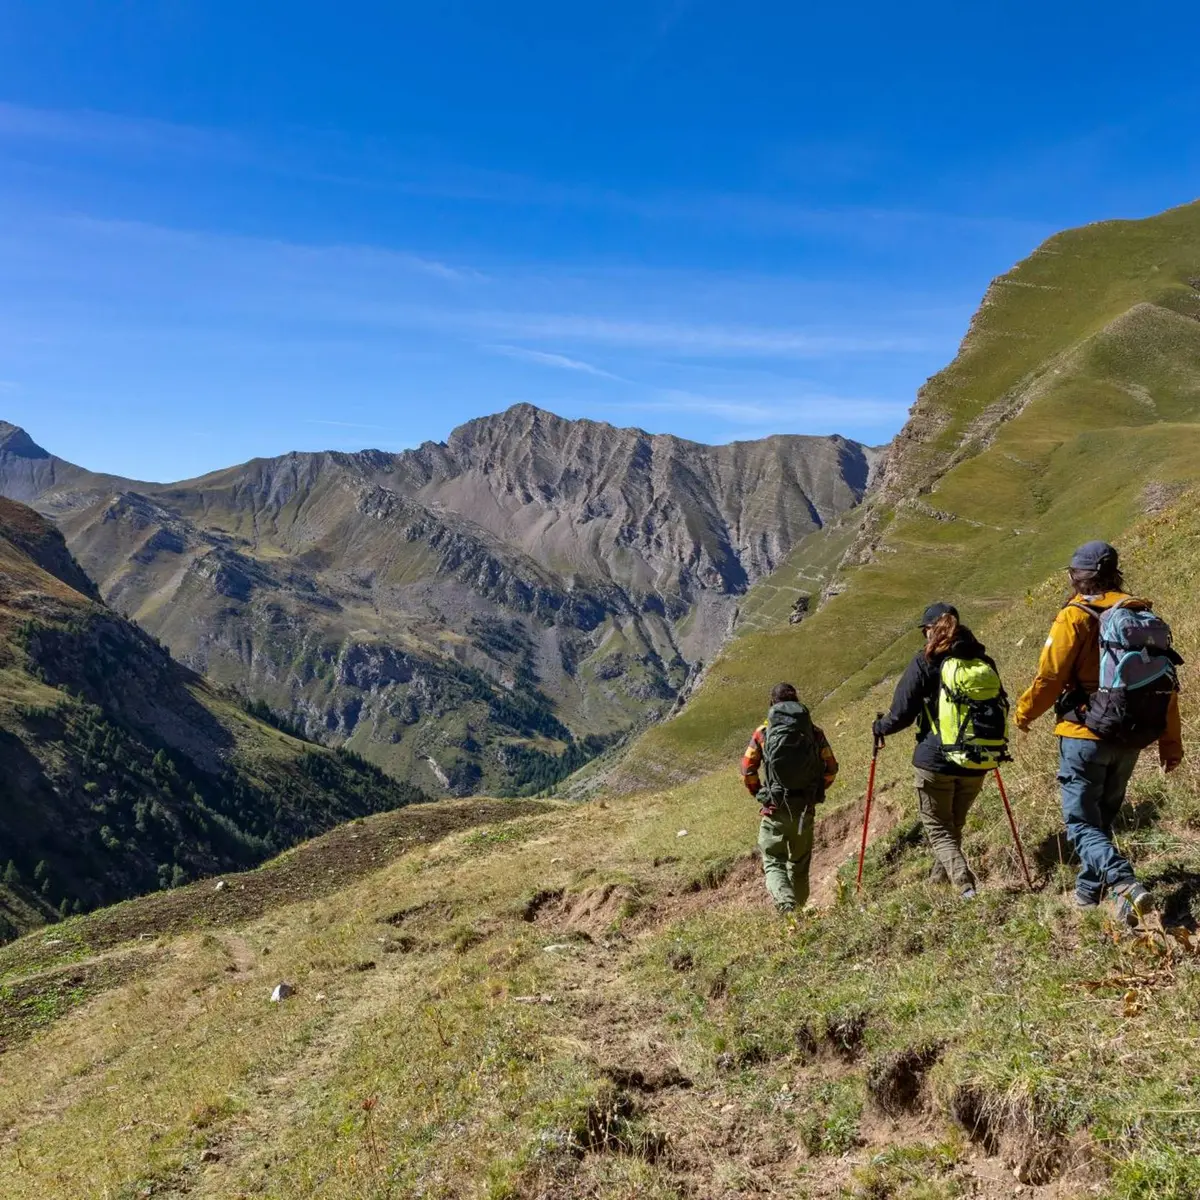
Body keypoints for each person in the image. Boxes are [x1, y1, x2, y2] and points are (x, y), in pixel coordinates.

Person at [1015, 541, 1183, 921]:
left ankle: (1125, 883)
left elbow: (1050, 677)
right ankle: (1090, 896)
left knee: (1080, 825)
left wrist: (1024, 713)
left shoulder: (1075, 615)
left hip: (1084, 733)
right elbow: (1166, 684)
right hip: (1131, 735)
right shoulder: (1140, 615)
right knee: (1102, 821)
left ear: (1077, 576)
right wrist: (1170, 745)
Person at [872, 603, 1003, 900]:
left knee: (939, 829)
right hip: (977, 759)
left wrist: (879, 727)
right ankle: (937, 884)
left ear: (931, 630)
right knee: (954, 825)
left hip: (935, 760)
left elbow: (901, 714)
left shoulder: (925, 662)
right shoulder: (983, 660)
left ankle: (965, 886)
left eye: (924, 630)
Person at [741, 683, 839, 913]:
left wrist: (761, 794)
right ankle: (799, 913)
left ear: (772, 704)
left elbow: (747, 770)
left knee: (774, 861)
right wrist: (814, 793)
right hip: (805, 809)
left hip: (775, 808)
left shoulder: (763, 733)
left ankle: (787, 907)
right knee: (800, 865)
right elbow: (831, 768)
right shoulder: (814, 732)